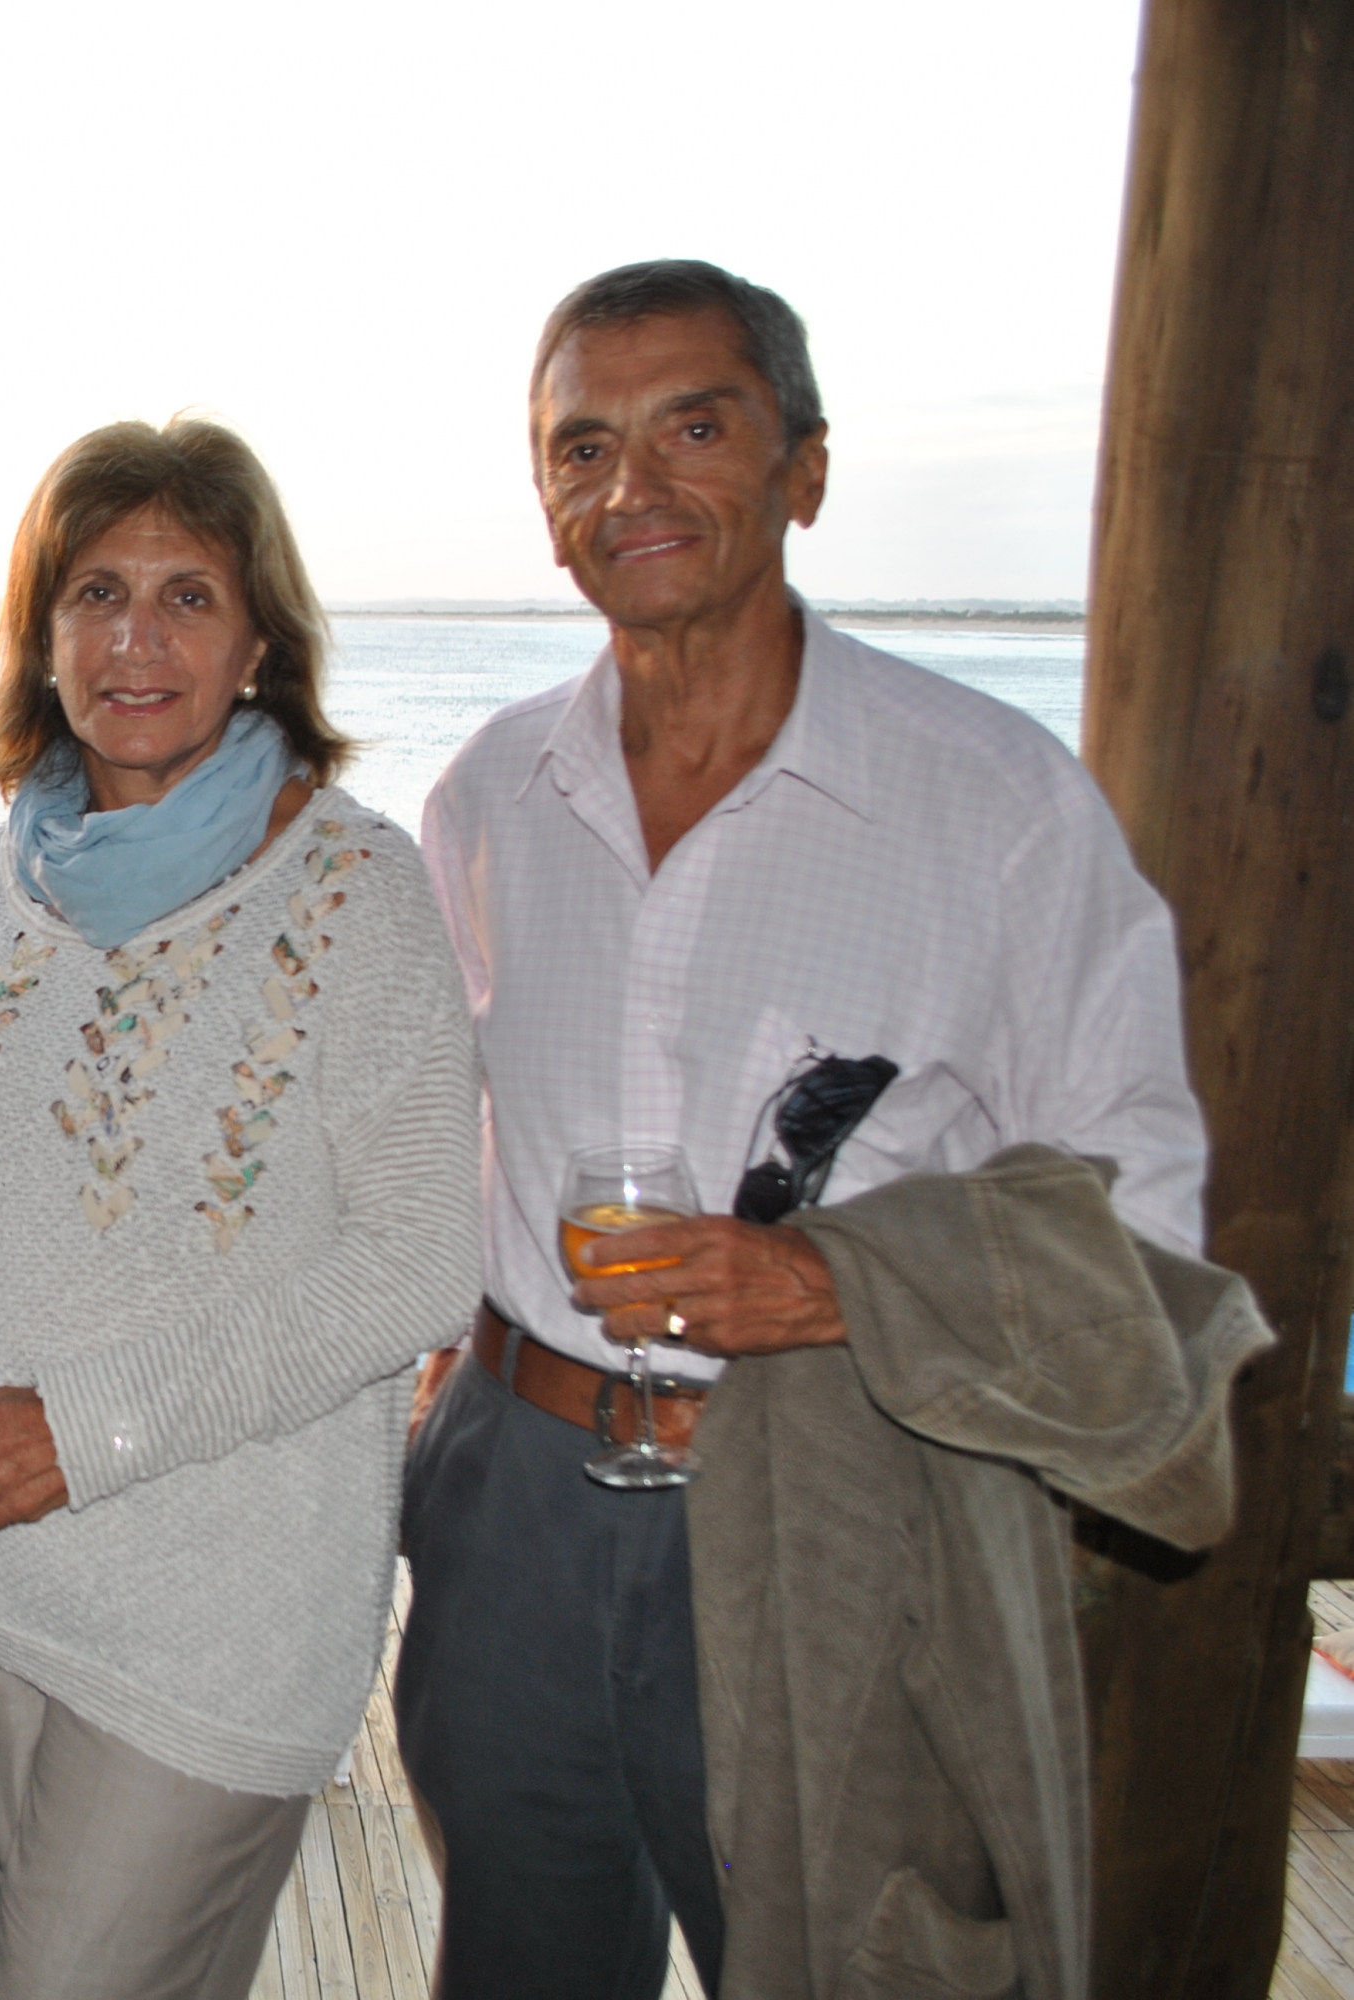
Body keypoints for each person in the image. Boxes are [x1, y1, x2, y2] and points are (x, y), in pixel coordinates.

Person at [397, 258, 1207, 2000]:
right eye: (582, 448)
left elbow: (1147, 1205)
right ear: (545, 509)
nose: (634, 488)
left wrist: (837, 1285)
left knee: (865, 1966)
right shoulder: (483, 803)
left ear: (806, 470)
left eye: (696, 426)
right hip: (515, 1497)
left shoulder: (992, 803)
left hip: (832, 1491)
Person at [0, 415, 482, 2000]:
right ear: (40, 638)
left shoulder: (356, 889)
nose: (136, 638)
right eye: (96, 591)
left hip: (216, 1625)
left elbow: (420, 1265)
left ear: (261, 641)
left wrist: (76, 1427)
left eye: (189, 595)